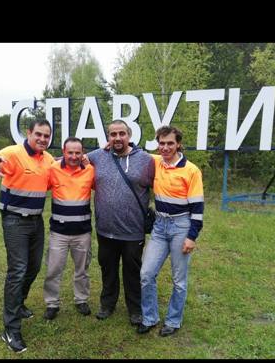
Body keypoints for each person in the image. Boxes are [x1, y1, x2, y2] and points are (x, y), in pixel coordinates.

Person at [0, 119, 54, 353]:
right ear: (29, 133)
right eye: (38, 134)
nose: (42, 139)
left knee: (34, 267)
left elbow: (60, 171)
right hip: (14, 220)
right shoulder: (13, 152)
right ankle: (11, 329)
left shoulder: (48, 159)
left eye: (46, 136)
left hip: (36, 220)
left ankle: (18, 303)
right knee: (18, 271)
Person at [137, 125, 204, 337]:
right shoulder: (156, 162)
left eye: (170, 143)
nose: (165, 148)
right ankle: (150, 317)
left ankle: (173, 321)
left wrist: (192, 237)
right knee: (146, 274)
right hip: (159, 225)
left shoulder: (191, 170)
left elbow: (198, 209)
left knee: (179, 279)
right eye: (162, 143)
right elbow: (132, 150)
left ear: (178, 144)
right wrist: (109, 145)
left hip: (181, 227)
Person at [87, 120, 155, 326]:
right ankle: (107, 305)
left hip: (133, 230)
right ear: (108, 137)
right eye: (113, 134)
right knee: (108, 269)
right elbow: (68, 160)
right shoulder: (97, 156)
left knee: (132, 272)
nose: (117, 138)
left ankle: (135, 309)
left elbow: (165, 176)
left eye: (121, 134)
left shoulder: (145, 160)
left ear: (129, 135)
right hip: (105, 229)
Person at [43, 137, 95, 321]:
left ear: (83, 153)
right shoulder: (53, 169)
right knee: (53, 269)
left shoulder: (90, 170)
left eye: (77, 153)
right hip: (59, 232)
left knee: (82, 269)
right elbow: (40, 185)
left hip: (82, 232)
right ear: (64, 152)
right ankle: (52, 303)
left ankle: (81, 300)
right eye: (70, 152)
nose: (73, 156)